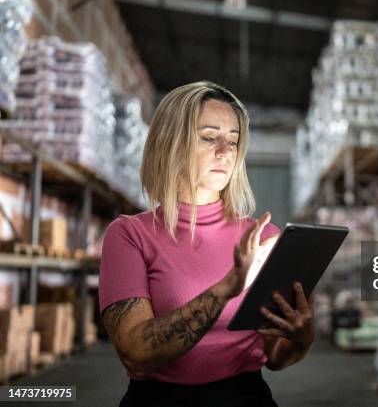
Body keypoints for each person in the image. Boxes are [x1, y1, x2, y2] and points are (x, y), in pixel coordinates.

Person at [98, 81, 316, 407]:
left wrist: (301, 337)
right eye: (210, 138)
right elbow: (136, 354)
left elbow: (275, 358)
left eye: (233, 141)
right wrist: (227, 287)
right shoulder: (129, 235)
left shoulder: (263, 239)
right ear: (171, 143)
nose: (225, 152)